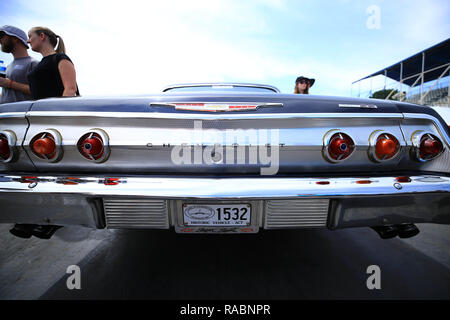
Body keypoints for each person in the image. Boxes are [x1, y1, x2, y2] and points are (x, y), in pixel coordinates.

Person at [27, 26, 79, 99]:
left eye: (30, 36)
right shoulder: (39, 65)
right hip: (39, 109)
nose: (28, 41)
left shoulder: (60, 59)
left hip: (53, 109)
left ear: (42, 36)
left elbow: (70, 89)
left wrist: (59, 109)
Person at [0, 25, 39, 104]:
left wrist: (10, 84)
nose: (0, 40)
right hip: (5, 113)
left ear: (15, 38)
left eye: (1, 36)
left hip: (20, 113)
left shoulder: (34, 64)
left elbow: (40, 91)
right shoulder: (9, 66)